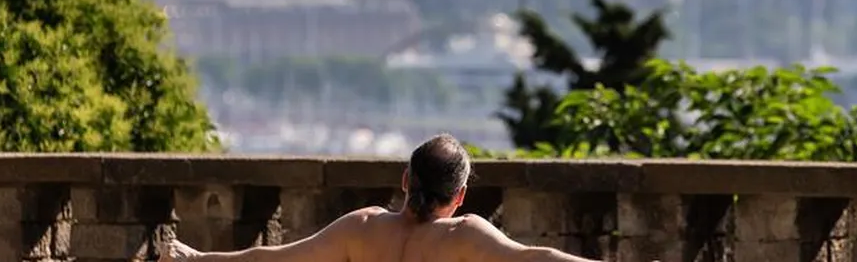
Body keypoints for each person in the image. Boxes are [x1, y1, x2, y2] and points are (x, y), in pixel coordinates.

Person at [158, 133, 599, 262]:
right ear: (461, 195)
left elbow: (271, 258)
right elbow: (536, 257)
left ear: (405, 179)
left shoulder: (362, 227)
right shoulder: (464, 236)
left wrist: (197, 258)